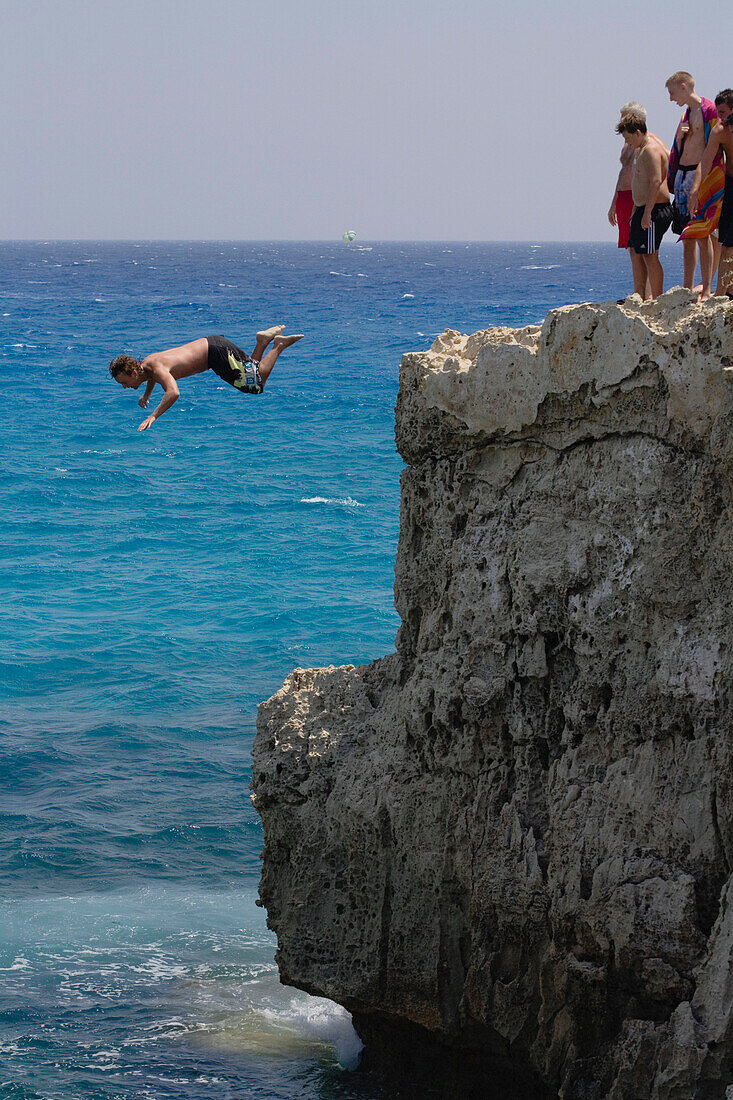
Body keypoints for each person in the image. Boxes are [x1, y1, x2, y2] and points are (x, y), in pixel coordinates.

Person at [109, 326, 304, 431]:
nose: (125, 387)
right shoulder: (147, 364)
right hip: (213, 347)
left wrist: (153, 416)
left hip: (216, 354)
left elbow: (173, 392)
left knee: (255, 384)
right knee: (250, 375)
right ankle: (262, 341)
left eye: (124, 383)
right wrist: (146, 394)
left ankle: (278, 345)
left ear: (133, 373)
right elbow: (151, 377)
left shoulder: (156, 368)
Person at [666, 71, 722, 297]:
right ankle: (687, 286)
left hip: (699, 177)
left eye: (672, 92)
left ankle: (707, 287)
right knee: (685, 235)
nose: (671, 98)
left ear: (683, 86)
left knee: (701, 233)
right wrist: (680, 138)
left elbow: (713, 148)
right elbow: (679, 148)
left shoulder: (709, 111)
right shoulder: (685, 115)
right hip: (682, 174)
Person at [609, 103, 669, 297]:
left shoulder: (651, 147)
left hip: (652, 208)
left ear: (636, 130)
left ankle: (656, 297)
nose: (627, 141)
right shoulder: (638, 147)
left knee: (650, 255)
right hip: (637, 205)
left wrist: (648, 211)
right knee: (636, 250)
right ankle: (640, 294)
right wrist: (633, 206)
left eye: (627, 136)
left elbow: (656, 179)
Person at [689, 90, 733, 296]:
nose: (719, 117)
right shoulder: (720, 131)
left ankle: (722, 292)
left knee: (729, 245)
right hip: (730, 186)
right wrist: (695, 190)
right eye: (718, 112)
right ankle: (725, 292)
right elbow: (705, 162)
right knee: (725, 241)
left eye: (722, 112)